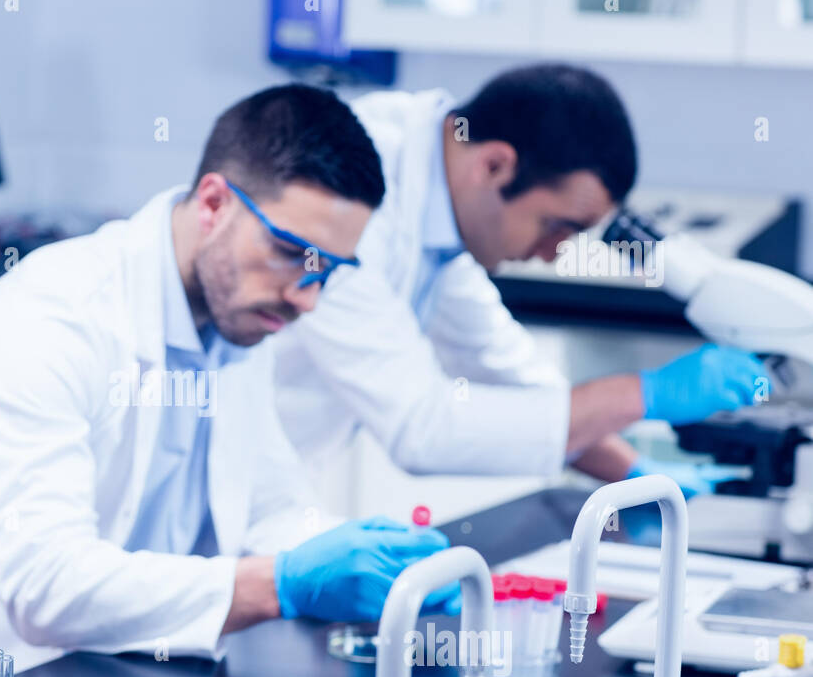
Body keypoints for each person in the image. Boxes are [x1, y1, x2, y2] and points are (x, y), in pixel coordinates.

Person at [0, 85, 459, 673]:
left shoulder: (239, 316)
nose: (307, 298)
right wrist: (278, 585)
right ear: (213, 204)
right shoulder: (44, 324)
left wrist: (359, 553)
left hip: (134, 671)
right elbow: (48, 588)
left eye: (328, 270)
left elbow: (268, 511)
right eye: (289, 251)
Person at [273, 63, 765, 492]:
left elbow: (506, 370)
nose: (554, 256)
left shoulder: (441, 194)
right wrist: (646, 393)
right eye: (557, 226)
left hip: (273, 483)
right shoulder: (346, 188)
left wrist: (636, 473)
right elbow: (420, 428)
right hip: (225, 487)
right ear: (494, 165)